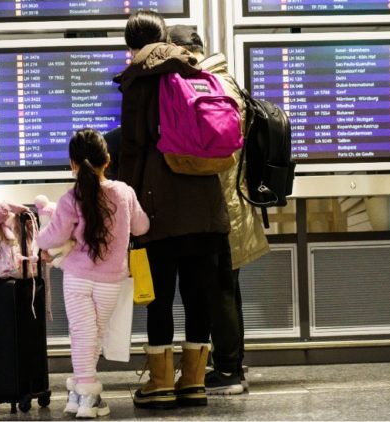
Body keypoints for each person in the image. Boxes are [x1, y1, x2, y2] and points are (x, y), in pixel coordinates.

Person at [114, 11, 230, 409]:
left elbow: (132, 148)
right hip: (206, 206)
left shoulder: (138, 80)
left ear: (131, 44)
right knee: (198, 294)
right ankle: (194, 382)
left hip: (157, 205)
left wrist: (128, 205)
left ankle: (162, 383)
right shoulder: (193, 68)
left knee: (160, 296)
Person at [167, 26, 270, 394]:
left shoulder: (209, 86)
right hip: (234, 203)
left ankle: (228, 370)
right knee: (226, 286)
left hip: (222, 206)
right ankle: (230, 362)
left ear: (184, 52)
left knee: (219, 287)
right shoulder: (226, 81)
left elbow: (211, 154)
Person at [36, 128, 150, 418]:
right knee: (92, 334)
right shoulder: (124, 193)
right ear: (107, 160)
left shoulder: (71, 198)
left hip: (76, 277)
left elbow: (52, 237)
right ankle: (85, 395)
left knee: (82, 333)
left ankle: (83, 394)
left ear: (73, 164)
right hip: (110, 281)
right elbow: (142, 227)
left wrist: (38, 240)